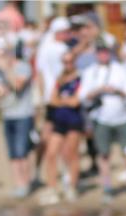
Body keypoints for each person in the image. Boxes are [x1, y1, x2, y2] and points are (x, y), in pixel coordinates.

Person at [80, 42, 126, 202]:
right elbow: (83, 96)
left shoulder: (120, 69)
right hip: (101, 118)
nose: (103, 55)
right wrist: (99, 90)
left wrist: (116, 90)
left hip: (122, 117)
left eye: (105, 52)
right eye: (100, 53)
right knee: (103, 154)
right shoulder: (90, 72)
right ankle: (107, 188)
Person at [40, 53, 84, 205]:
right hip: (58, 121)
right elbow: (52, 100)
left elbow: (76, 101)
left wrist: (62, 101)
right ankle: (52, 187)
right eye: (64, 62)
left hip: (73, 121)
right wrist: (64, 101)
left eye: (70, 62)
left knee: (71, 154)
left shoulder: (80, 79)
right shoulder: (59, 80)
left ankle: (71, 187)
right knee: (51, 153)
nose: (67, 65)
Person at [0, 44, 35, 198]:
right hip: (7, 115)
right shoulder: (0, 72)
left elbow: (17, 86)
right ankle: (18, 183)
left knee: (22, 151)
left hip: (23, 115)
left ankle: (26, 183)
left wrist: (7, 71)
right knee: (12, 153)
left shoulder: (23, 67)